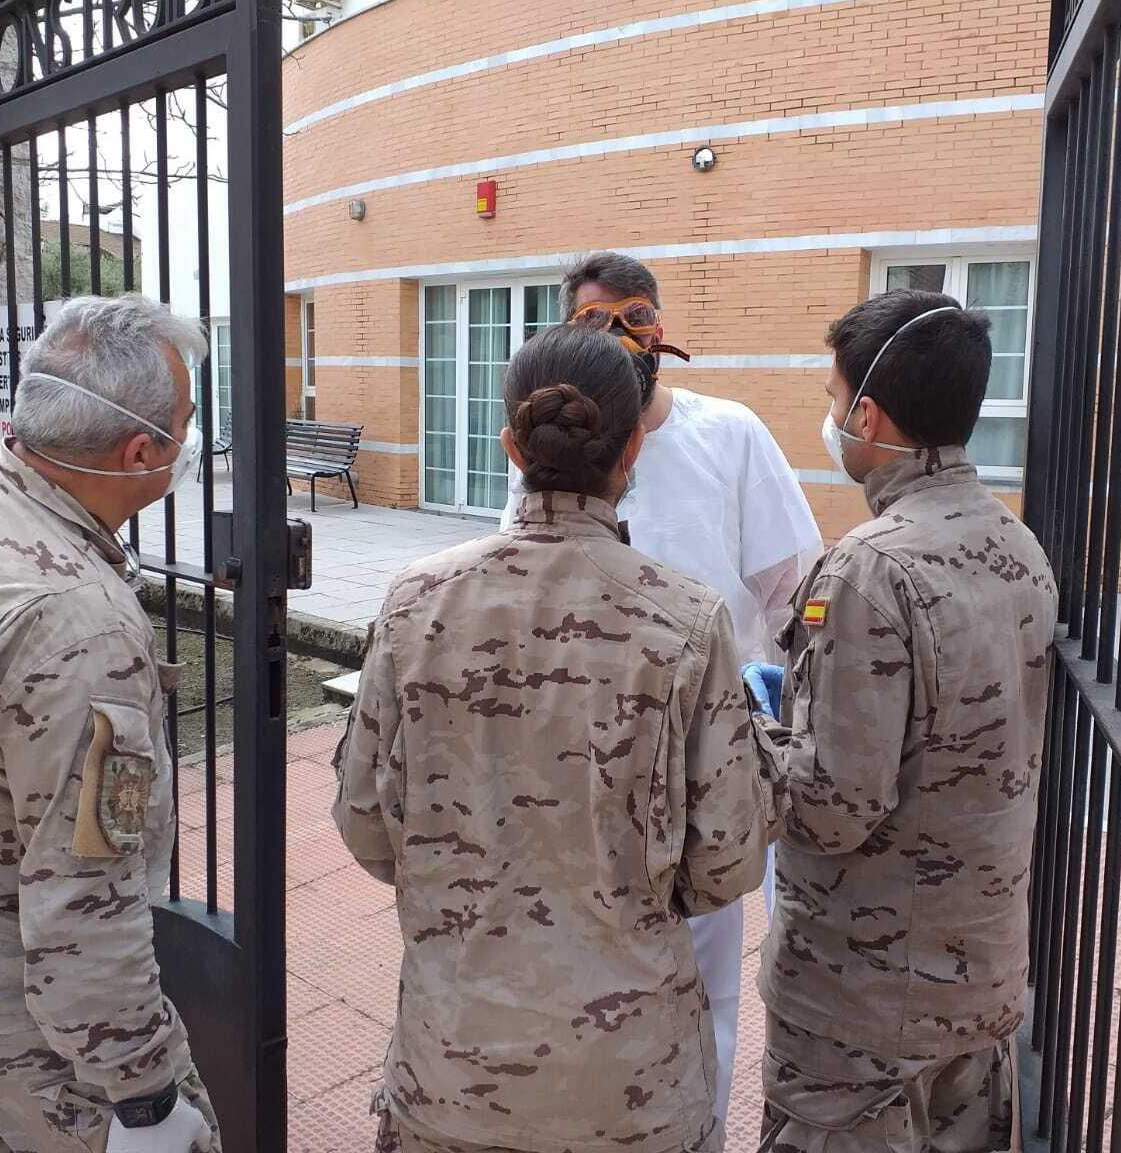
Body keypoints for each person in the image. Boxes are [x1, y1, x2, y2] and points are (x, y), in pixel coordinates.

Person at [335, 323, 782, 1153]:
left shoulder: (413, 604)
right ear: (632, 453)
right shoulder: (688, 620)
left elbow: (365, 824)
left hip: (452, 1071)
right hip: (631, 1088)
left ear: (512, 444)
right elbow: (728, 863)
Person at [0, 295, 219, 1153]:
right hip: (25, 1018)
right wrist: (144, 1097)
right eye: (187, 422)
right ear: (142, 452)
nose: (190, 442)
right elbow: (83, 896)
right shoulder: (79, 621)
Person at [500, 252, 822, 1123]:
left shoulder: (731, 433)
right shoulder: (550, 456)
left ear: (664, 326)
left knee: (706, 987)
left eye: (635, 314)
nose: (621, 335)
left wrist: (784, 717)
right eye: (595, 321)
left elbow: (795, 595)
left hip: (701, 763)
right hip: (569, 763)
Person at [750, 289, 1057, 1152]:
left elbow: (832, 806)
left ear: (868, 414)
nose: (830, 419)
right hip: (979, 978)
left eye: (831, 398)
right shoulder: (1015, 543)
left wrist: (752, 723)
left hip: (861, 1005)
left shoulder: (866, 572)